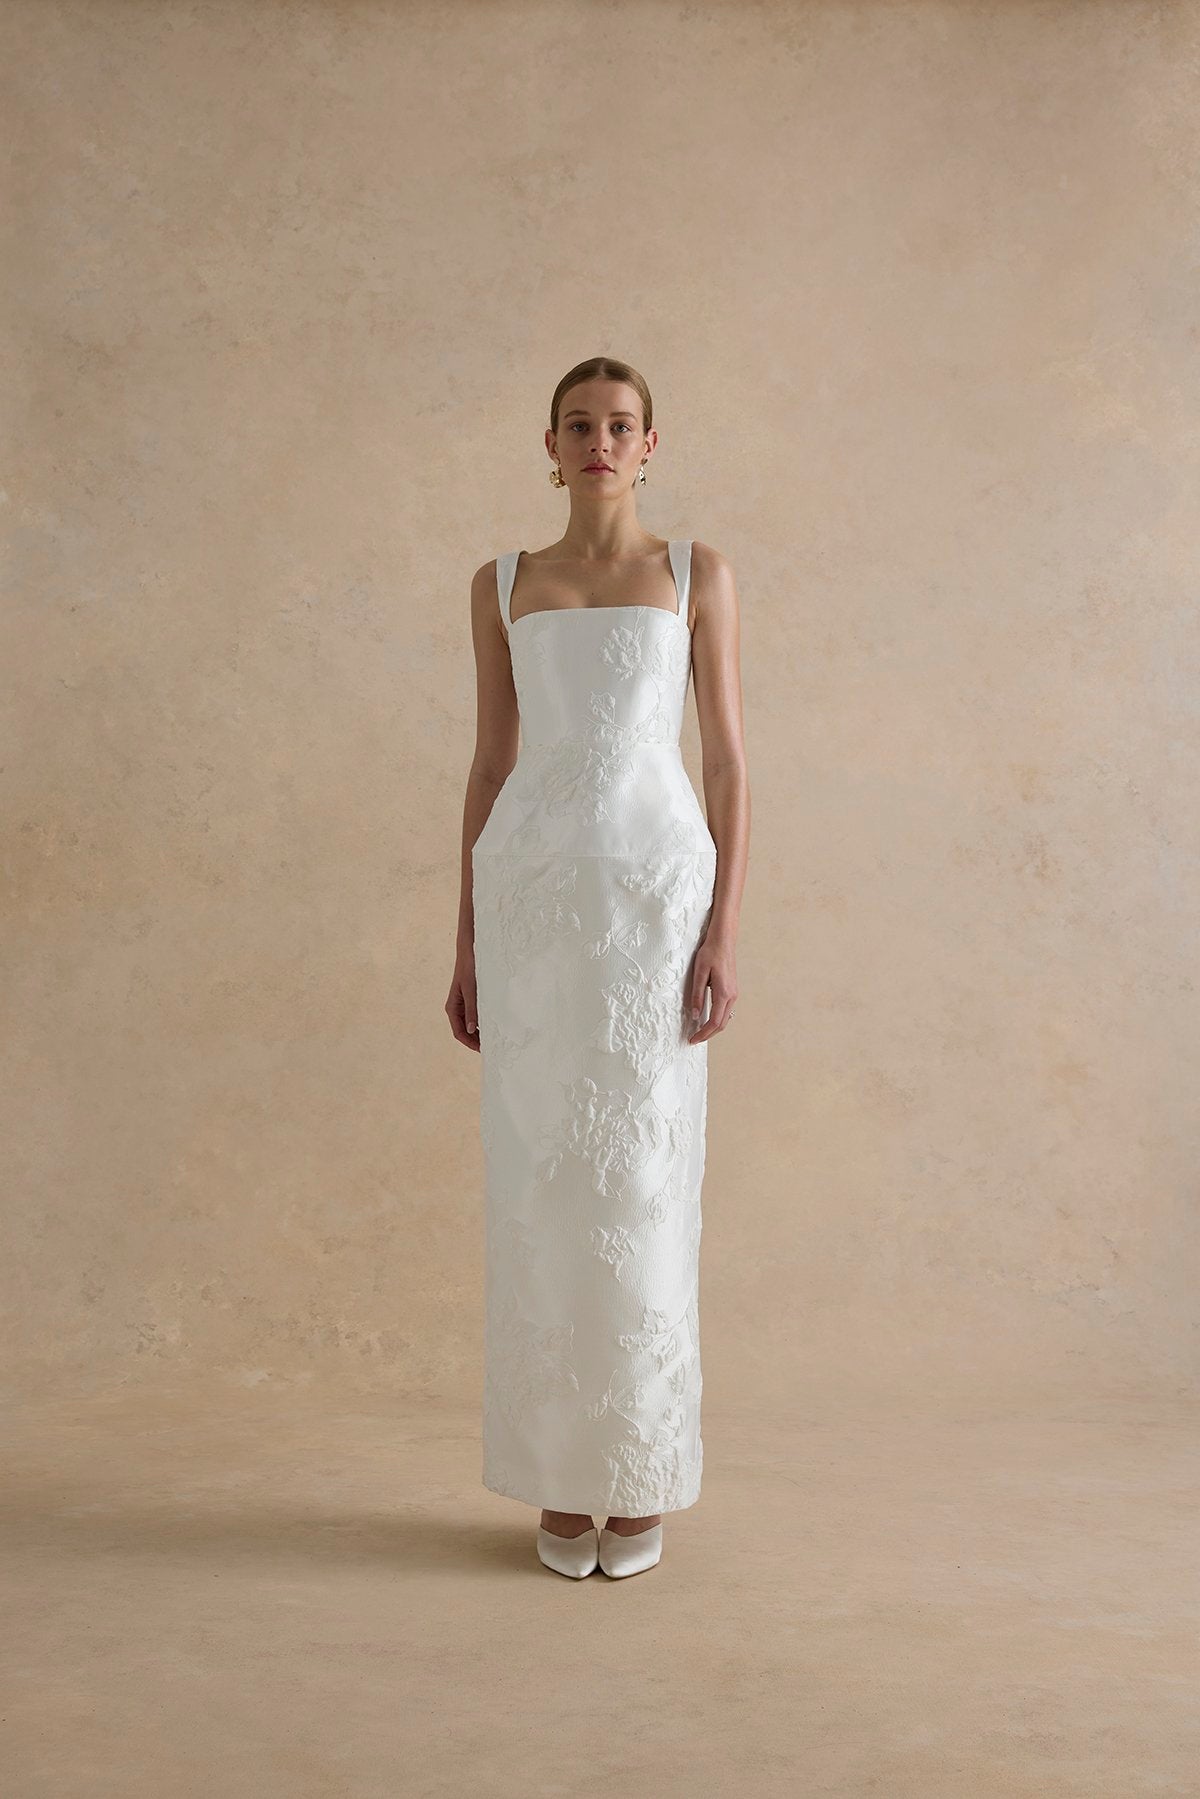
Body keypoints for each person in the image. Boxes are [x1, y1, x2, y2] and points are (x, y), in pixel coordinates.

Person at [446, 356, 750, 1578]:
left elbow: (726, 763)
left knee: (640, 1182)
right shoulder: (503, 582)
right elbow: (487, 765)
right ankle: (561, 1482)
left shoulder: (694, 574)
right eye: (580, 424)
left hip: (651, 898)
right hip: (532, 903)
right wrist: (465, 930)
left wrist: (724, 926)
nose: (600, 441)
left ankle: (638, 1478)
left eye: (621, 425)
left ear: (651, 443)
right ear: (552, 442)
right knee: (541, 1182)